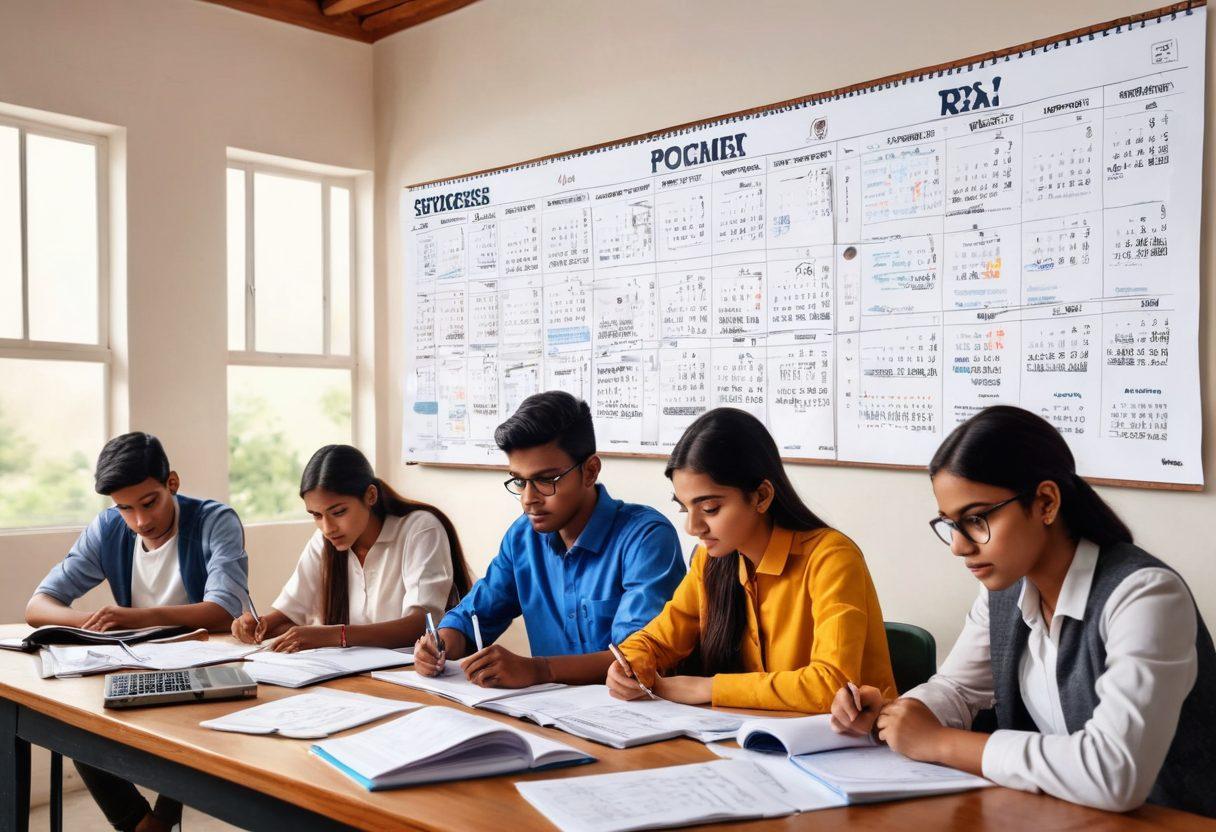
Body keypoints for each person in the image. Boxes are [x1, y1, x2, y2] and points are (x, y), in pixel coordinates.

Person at [831, 405, 1216, 817]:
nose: (959, 546)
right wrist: (896, 716)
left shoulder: (1146, 596)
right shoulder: (1005, 590)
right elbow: (957, 689)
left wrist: (939, 742)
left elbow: (1113, 772)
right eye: (950, 524)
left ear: (1046, 502)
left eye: (975, 519)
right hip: (1062, 816)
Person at [26, 432, 249, 832]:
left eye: (149, 503)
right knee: (75, 723)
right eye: (125, 508)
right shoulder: (108, 527)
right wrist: (96, 624)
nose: (140, 521)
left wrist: (135, 619)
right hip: (137, 663)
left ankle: (155, 825)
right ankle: (146, 825)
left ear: (172, 483)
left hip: (208, 669)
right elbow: (38, 606)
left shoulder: (215, 521)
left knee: (186, 725)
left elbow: (222, 611)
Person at [608, 407, 897, 711]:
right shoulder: (710, 560)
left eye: (709, 509)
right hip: (745, 731)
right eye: (684, 508)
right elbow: (659, 639)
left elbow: (830, 686)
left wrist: (708, 687)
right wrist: (630, 663)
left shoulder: (831, 558)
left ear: (761, 496)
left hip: (852, 735)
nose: (692, 527)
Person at [413, 391, 686, 687]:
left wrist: (539, 670)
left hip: (633, 709)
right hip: (541, 709)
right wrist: (440, 644)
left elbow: (637, 659)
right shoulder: (523, 537)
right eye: (520, 481)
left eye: (546, 480)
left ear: (590, 471)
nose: (528, 499)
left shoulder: (646, 538)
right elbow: (473, 616)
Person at [231, 444, 471, 651]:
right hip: (351, 677)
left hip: (411, 673)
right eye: (316, 515)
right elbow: (290, 615)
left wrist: (337, 635)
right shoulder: (323, 542)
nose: (327, 528)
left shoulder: (420, 529)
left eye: (338, 512)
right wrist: (257, 625)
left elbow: (422, 625)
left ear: (370, 496)